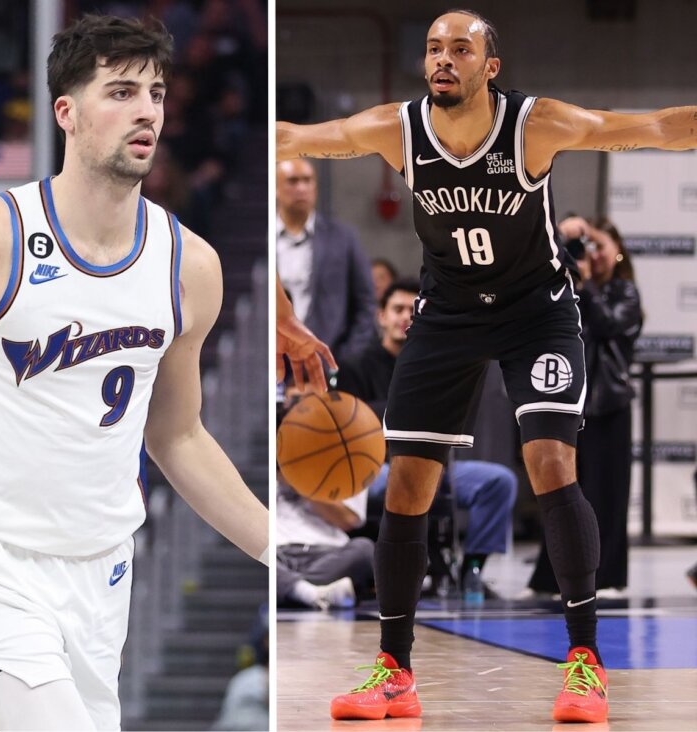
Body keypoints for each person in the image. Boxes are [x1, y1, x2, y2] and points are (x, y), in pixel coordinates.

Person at [0, 15, 269, 731]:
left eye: (156, 93)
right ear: (66, 112)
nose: (146, 111)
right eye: (121, 91)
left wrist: (275, 547)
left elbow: (180, 435)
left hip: (101, 574)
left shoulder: (188, 266)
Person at [278, 8, 697, 723]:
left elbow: (653, 127)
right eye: (434, 48)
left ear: (489, 67)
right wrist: (283, 310)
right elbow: (290, 140)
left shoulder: (536, 124)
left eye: (460, 49)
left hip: (538, 314)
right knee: (407, 484)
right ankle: (395, 671)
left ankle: (586, 662)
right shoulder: (396, 128)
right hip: (448, 314)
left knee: (550, 465)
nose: (443, 59)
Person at [339, 279, 517, 591]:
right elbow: (348, 425)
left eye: (412, 309)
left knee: (499, 482)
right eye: (397, 309)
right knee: (402, 480)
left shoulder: (435, 365)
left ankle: (472, 568)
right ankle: (407, 572)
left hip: (436, 464)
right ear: (381, 316)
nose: (405, 316)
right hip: (373, 468)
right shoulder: (355, 366)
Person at [529, 216, 642, 596]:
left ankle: (608, 576)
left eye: (599, 245)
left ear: (617, 250)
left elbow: (609, 325)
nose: (593, 254)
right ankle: (551, 577)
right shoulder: (569, 292)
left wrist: (589, 282)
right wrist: (564, 242)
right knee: (564, 493)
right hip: (571, 404)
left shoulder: (624, 293)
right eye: (587, 247)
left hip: (610, 407)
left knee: (608, 495)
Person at [276, 159, 378, 365]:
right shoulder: (268, 238)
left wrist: (347, 358)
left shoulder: (342, 238)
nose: (301, 188)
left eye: (308, 180)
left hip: (328, 359)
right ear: (276, 189)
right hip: (277, 359)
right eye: (292, 181)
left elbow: (366, 303)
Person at [274, 476, 369, 611]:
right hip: (276, 550)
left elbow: (347, 520)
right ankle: (312, 594)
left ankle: (292, 589)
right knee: (257, 554)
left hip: (324, 554)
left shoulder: (352, 459)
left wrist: (296, 479)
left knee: (364, 549)